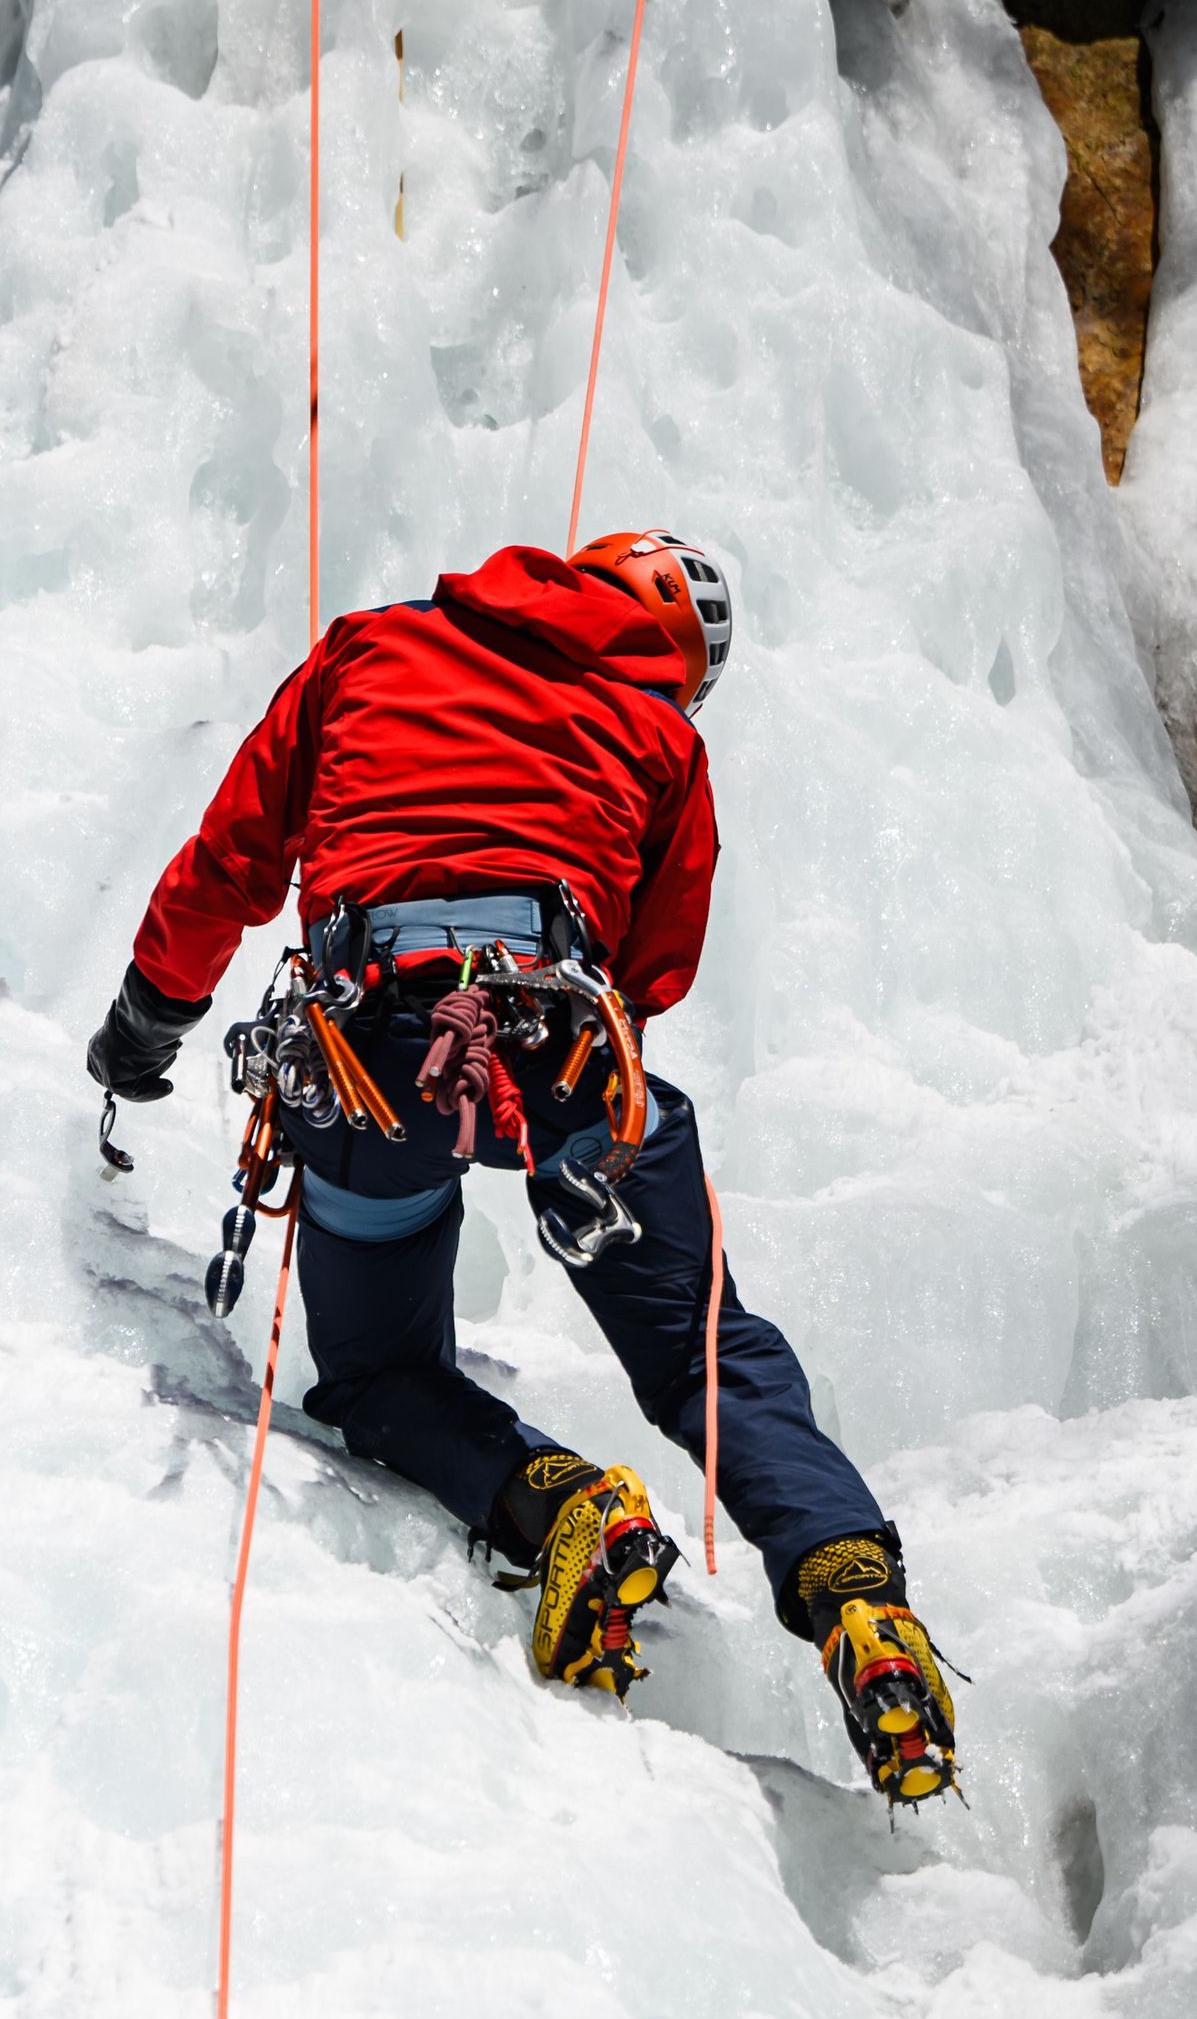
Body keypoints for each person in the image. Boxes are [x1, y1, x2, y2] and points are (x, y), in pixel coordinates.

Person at [82, 533, 961, 1806]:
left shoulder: (368, 650)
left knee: (379, 1371)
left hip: (371, 1055)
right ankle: (853, 1595)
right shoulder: (661, 742)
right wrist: (579, 1134)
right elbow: (656, 965)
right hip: (566, 1046)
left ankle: (559, 1510)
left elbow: (230, 864)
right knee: (705, 1350)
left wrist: (144, 1026)